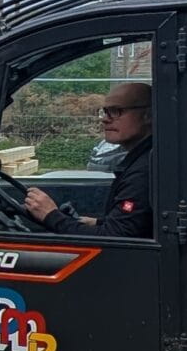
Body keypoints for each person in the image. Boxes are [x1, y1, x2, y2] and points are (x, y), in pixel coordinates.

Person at [23, 82, 154, 238]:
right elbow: (129, 225)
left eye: (116, 111)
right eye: (104, 112)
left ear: (148, 115)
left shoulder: (143, 172)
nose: (105, 119)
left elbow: (115, 238)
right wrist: (98, 223)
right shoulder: (142, 159)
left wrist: (51, 216)